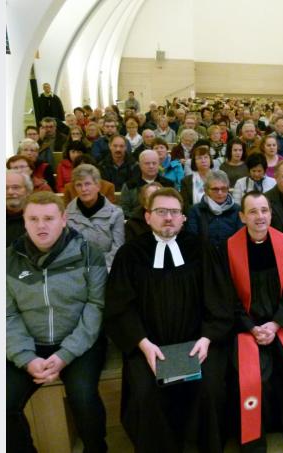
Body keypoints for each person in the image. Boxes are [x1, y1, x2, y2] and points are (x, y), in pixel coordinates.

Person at [104, 188, 232, 453]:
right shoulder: (130, 254)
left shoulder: (201, 248)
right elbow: (120, 308)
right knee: (145, 392)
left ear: (183, 218)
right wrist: (143, 344)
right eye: (161, 212)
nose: (168, 218)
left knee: (209, 388)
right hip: (149, 346)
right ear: (148, 216)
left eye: (174, 212)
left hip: (198, 343)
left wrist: (207, 338)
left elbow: (219, 299)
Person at [218, 192, 283, 453]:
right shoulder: (228, 249)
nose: (260, 217)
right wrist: (252, 327)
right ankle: (254, 443)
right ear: (242, 217)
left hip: (281, 323)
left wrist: (276, 325)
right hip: (246, 327)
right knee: (254, 380)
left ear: (270, 213)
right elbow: (226, 298)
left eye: (264, 210)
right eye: (252, 211)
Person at [7, 191, 107, 453]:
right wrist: (26, 358)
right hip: (29, 345)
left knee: (83, 397)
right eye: (34, 219)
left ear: (63, 219)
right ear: (24, 221)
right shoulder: (8, 260)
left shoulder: (88, 253)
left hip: (79, 343)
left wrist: (65, 354)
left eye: (49, 218)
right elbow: (6, 315)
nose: (41, 225)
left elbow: (96, 306)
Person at [66, 164, 125, 268]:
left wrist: (98, 268)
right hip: (75, 268)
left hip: (106, 267)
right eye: (79, 185)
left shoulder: (116, 213)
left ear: (98, 186)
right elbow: (65, 248)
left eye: (88, 184)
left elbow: (118, 248)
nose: (83, 189)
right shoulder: (66, 214)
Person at [185, 170, 242, 247]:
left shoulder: (237, 210)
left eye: (224, 189)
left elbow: (240, 240)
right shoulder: (195, 211)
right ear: (206, 190)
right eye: (215, 189)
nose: (220, 193)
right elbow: (192, 241)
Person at [119, 149, 175, 217]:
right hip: (136, 223)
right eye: (147, 163)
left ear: (159, 164)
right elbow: (124, 210)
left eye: (154, 163)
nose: (151, 166)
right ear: (140, 165)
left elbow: (174, 208)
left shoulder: (168, 185)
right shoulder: (129, 185)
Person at [180, 145, 215, 213]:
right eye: (199, 158)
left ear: (210, 160)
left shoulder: (219, 178)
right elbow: (185, 206)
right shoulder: (186, 181)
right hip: (194, 217)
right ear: (194, 162)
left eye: (206, 157)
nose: (203, 160)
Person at [6, 169, 31, 246]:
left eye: (16, 187)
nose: (10, 192)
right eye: (5, 188)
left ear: (27, 191)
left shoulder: (36, 217)